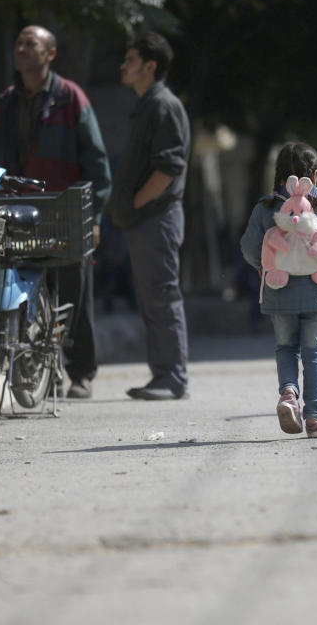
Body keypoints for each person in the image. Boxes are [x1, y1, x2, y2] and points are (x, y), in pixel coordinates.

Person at [0, 25, 112, 399]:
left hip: (64, 213)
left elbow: (97, 163)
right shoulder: (4, 102)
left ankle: (81, 371)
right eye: (19, 42)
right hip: (17, 213)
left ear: (50, 53)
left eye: (30, 43)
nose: (22, 49)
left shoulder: (70, 98)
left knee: (73, 294)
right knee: (21, 288)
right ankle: (38, 367)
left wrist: (95, 216)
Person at [240, 142, 317, 438]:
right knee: (314, 353)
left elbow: (249, 250)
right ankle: (315, 419)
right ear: (314, 176)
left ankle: (289, 393)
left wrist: (267, 265)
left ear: (278, 175)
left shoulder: (264, 209)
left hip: (279, 292)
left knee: (286, 348)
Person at [107, 31, 191, 401]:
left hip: (156, 218)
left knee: (161, 295)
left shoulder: (162, 104)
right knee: (152, 297)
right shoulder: (147, 104)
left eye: (130, 60)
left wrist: (137, 203)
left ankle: (172, 377)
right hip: (147, 221)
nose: (123, 66)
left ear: (150, 66)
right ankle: (164, 375)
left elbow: (170, 167)